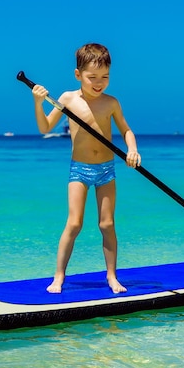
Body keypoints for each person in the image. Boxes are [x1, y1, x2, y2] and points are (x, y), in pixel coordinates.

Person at [31, 43, 141, 294]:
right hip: (79, 170)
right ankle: (58, 277)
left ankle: (112, 277)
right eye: (92, 77)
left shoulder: (111, 102)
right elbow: (45, 128)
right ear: (78, 75)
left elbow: (126, 130)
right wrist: (38, 103)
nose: (99, 82)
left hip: (106, 169)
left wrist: (132, 150)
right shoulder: (67, 99)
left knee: (107, 224)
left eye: (105, 77)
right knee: (74, 224)